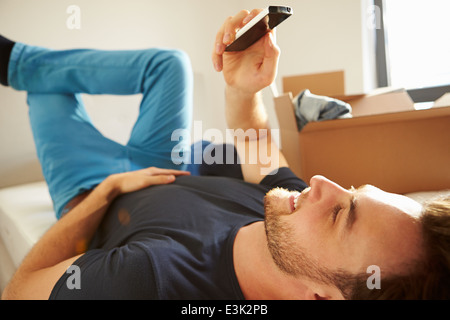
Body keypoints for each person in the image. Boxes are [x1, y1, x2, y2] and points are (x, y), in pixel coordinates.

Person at [1, 8, 450, 300]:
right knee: (170, 64)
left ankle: (18, 64)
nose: (321, 184)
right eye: (351, 193)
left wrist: (106, 192)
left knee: (46, 90)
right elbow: (256, 142)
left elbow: (18, 290)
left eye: (340, 216)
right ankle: (21, 64)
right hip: (166, 163)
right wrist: (244, 87)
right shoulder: (291, 214)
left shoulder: (147, 283)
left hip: (92, 191)